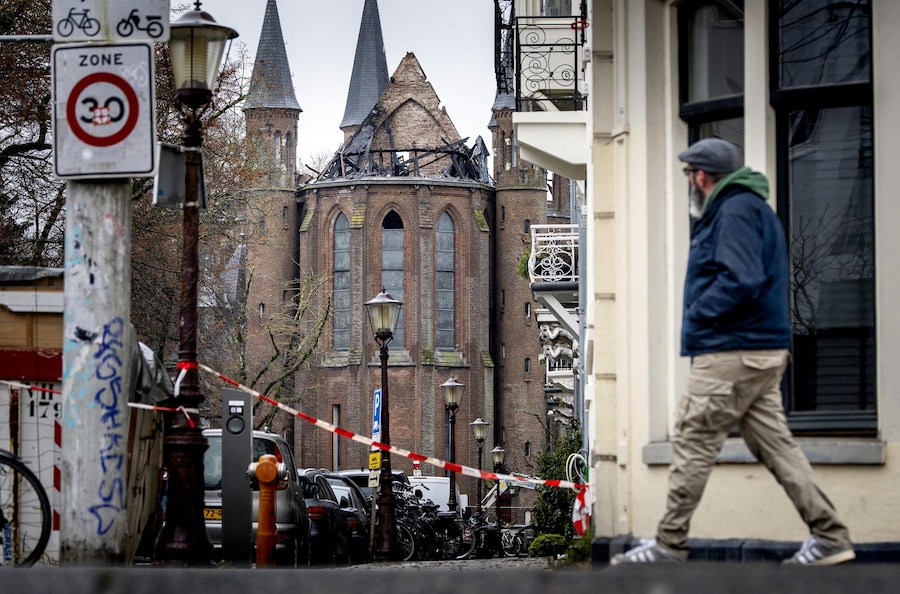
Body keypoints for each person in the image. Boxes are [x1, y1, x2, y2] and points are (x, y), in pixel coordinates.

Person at [611, 138, 854, 566]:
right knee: (776, 447)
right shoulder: (751, 209)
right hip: (759, 349)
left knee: (693, 438)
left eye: (689, 175)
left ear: (701, 176)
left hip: (731, 350)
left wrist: (699, 313)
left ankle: (668, 544)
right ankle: (830, 536)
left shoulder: (735, 210)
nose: (689, 182)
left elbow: (741, 279)